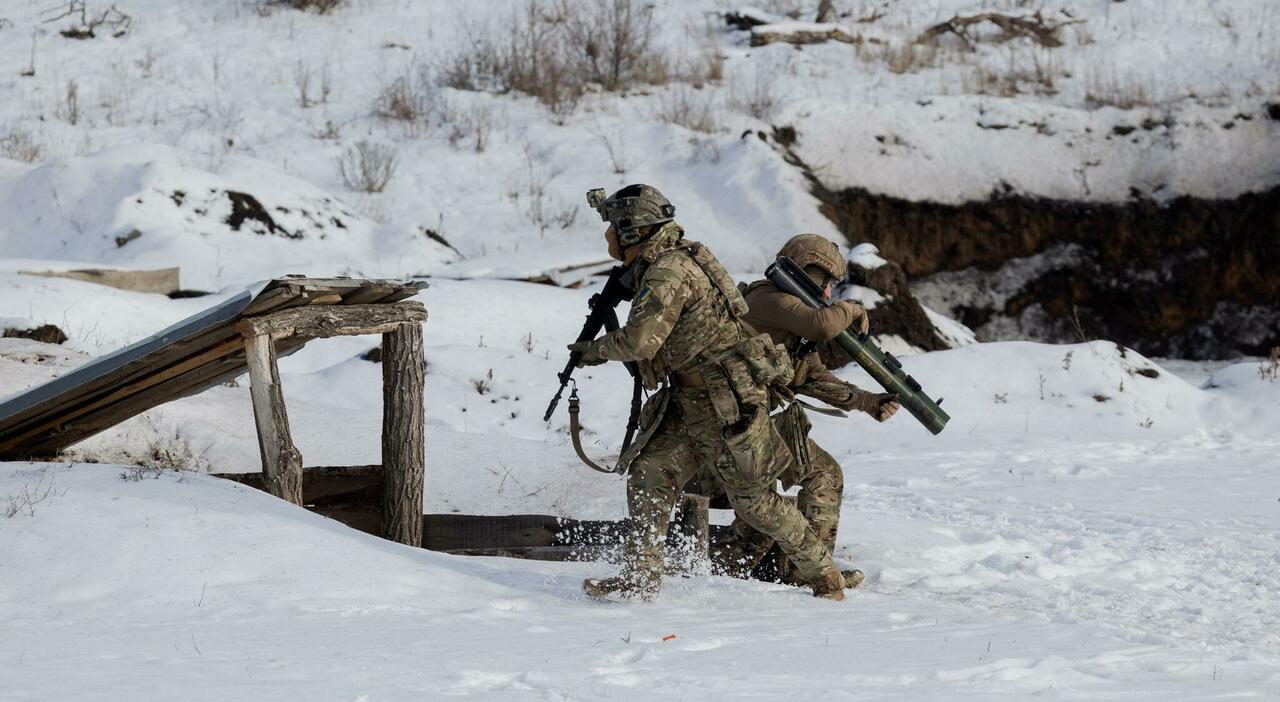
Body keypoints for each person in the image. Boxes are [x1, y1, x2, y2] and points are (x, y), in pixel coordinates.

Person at [570, 185, 848, 602]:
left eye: (613, 226)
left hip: (726, 403)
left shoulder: (669, 270)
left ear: (632, 230)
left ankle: (825, 577)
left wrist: (592, 351)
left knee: (755, 504)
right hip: (689, 400)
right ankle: (641, 577)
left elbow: (642, 342)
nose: (608, 235)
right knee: (648, 476)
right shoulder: (666, 260)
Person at [711, 234, 900, 589]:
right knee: (792, 493)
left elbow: (811, 376)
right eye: (825, 282)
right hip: (727, 433)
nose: (828, 293)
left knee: (823, 476)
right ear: (805, 272)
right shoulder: (767, 299)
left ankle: (800, 570)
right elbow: (823, 325)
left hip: (752, 431)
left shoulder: (789, 318)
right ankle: (802, 572)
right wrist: (854, 308)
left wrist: (867, 402)